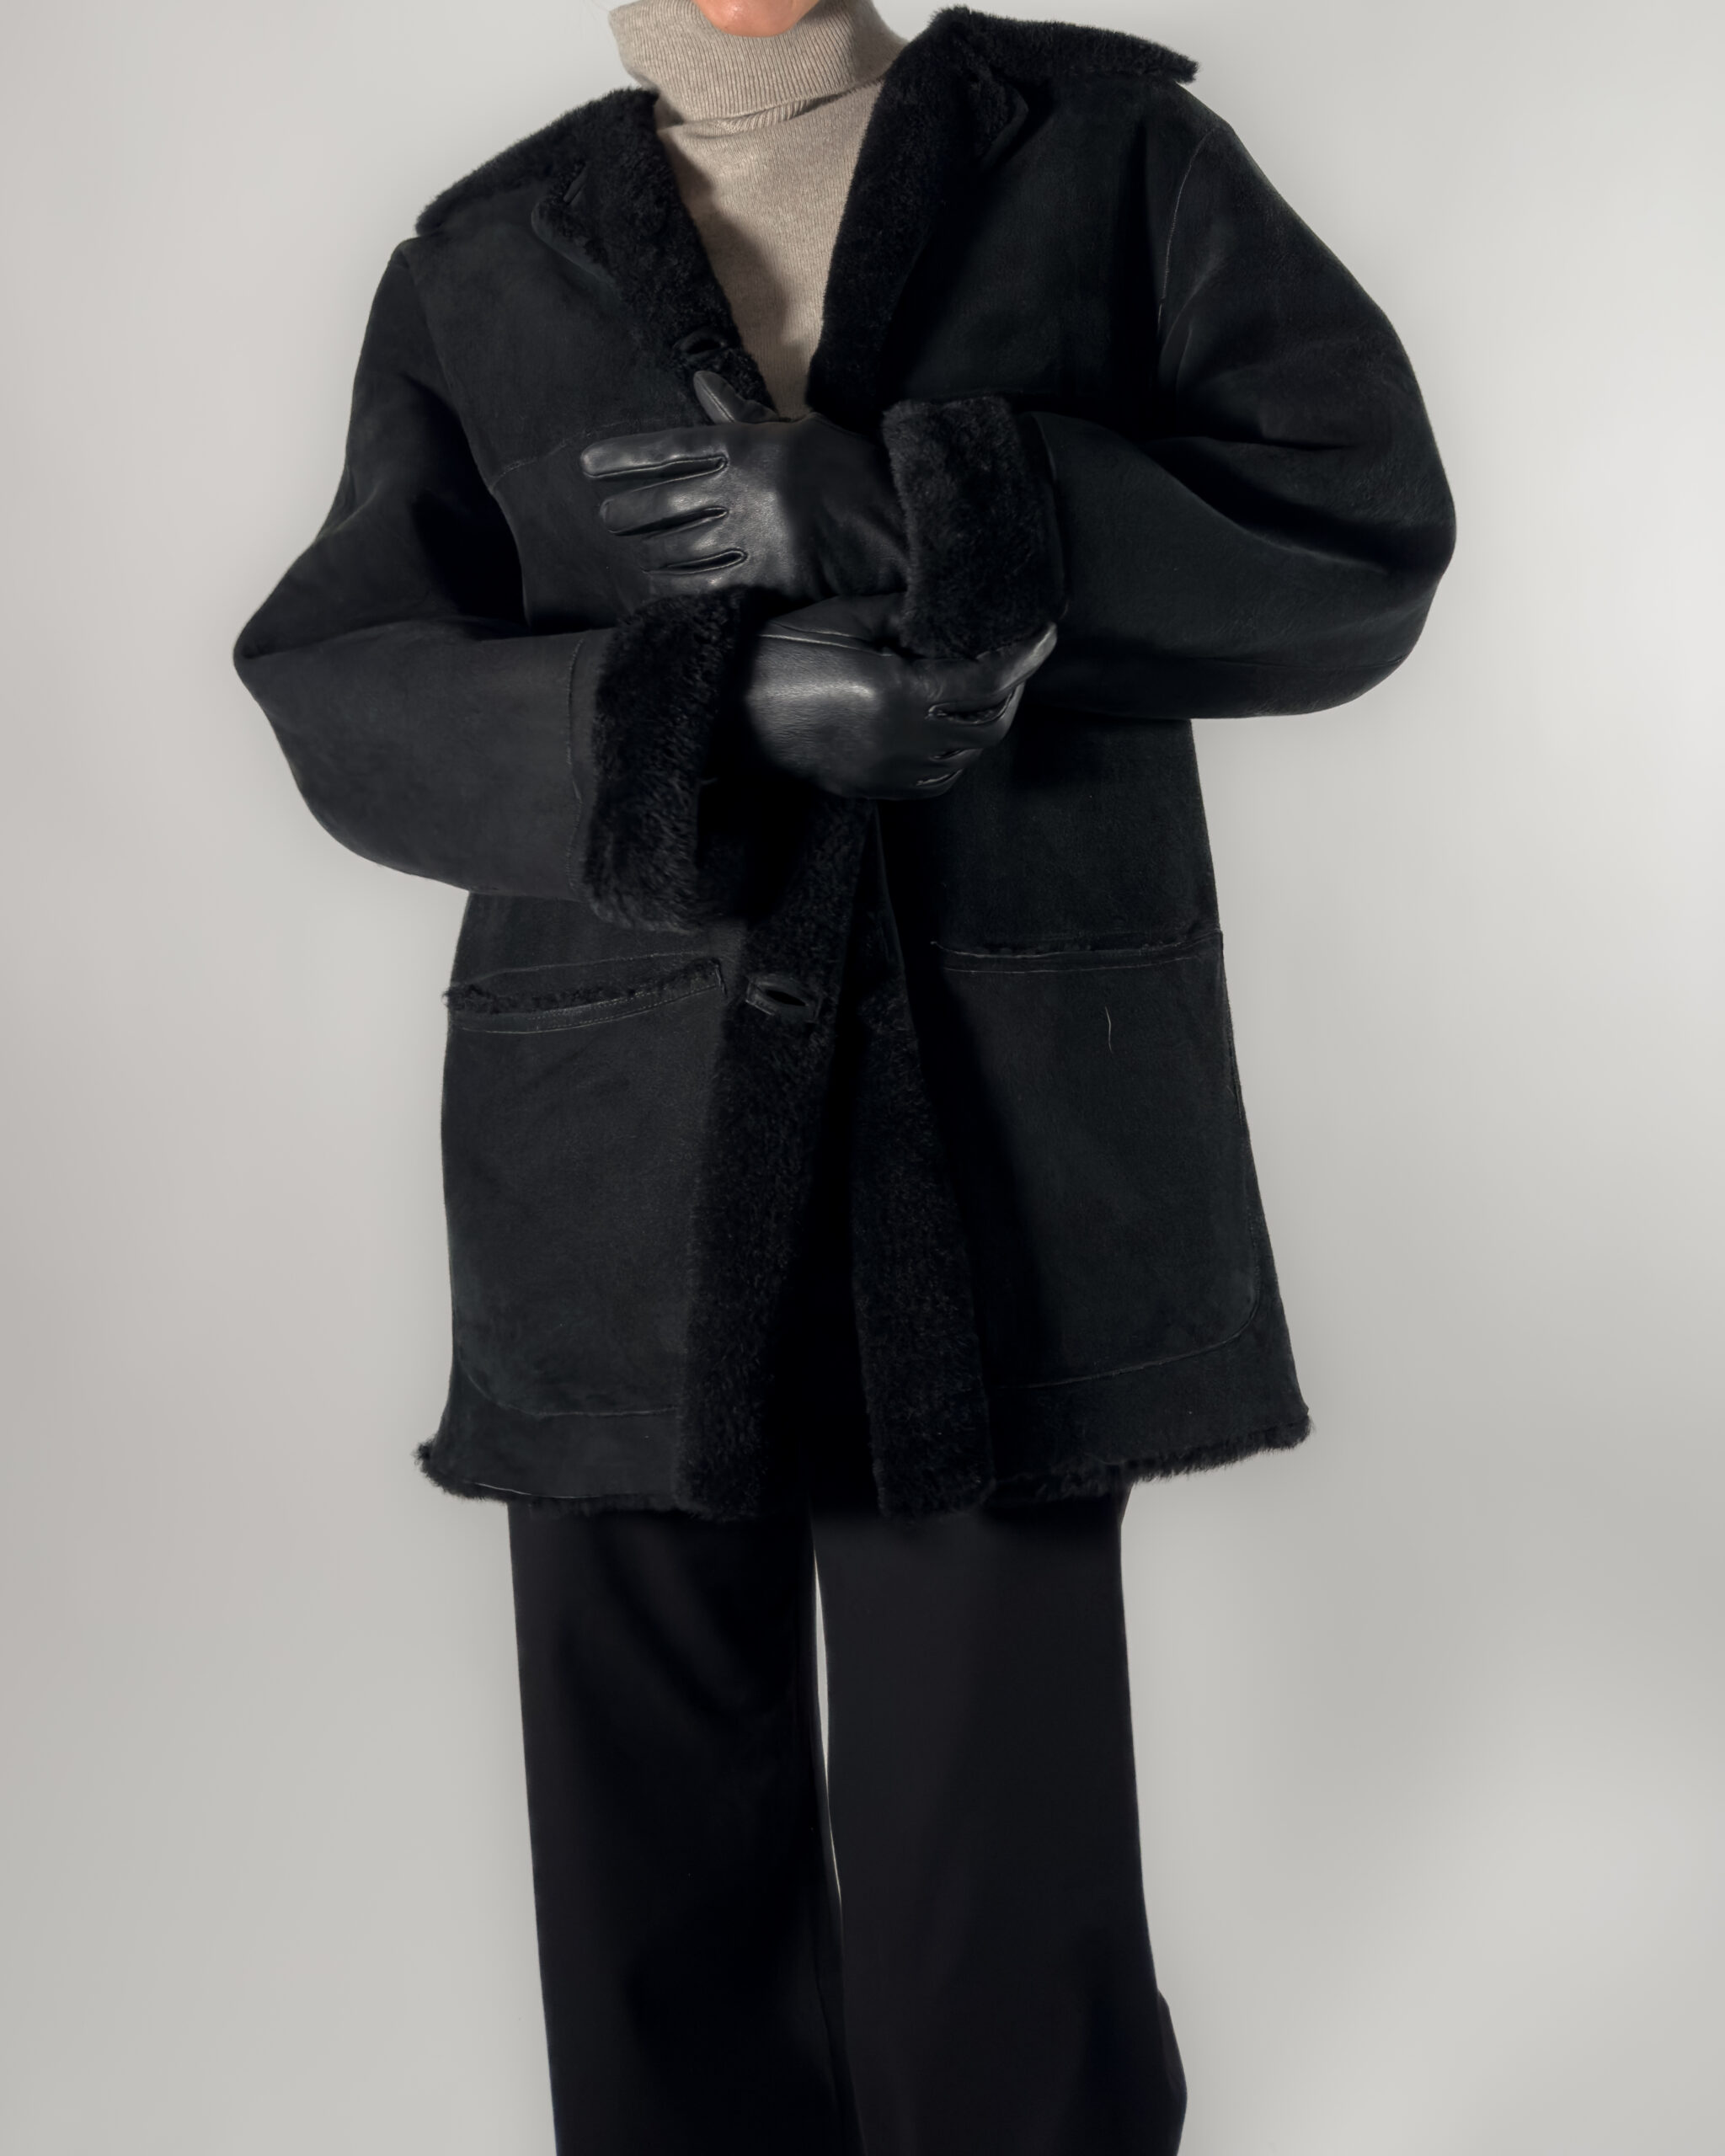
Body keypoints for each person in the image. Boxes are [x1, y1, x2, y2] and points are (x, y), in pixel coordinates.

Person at [234, 0, 1454, 2146]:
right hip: (613, 1161)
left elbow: (1352, 536)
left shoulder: (1104, 157)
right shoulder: (485, 254)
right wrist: (699, 713)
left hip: (1002, 1127)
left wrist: (921, 497)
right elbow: (346, 689)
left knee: (994, 1897)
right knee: (651, 1900)